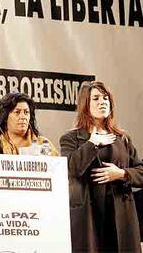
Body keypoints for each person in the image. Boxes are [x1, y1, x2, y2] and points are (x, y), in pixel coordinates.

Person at [60, 81, 143, 252]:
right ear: (85, 104)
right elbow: (70, 169)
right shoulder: (71, 138)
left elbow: (141, 171)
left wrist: (121, 173)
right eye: (96, 98)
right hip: (89, 214)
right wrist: (92, 143)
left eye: (105, 98)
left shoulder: (122, 138)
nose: (102, 102)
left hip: (120, 213)